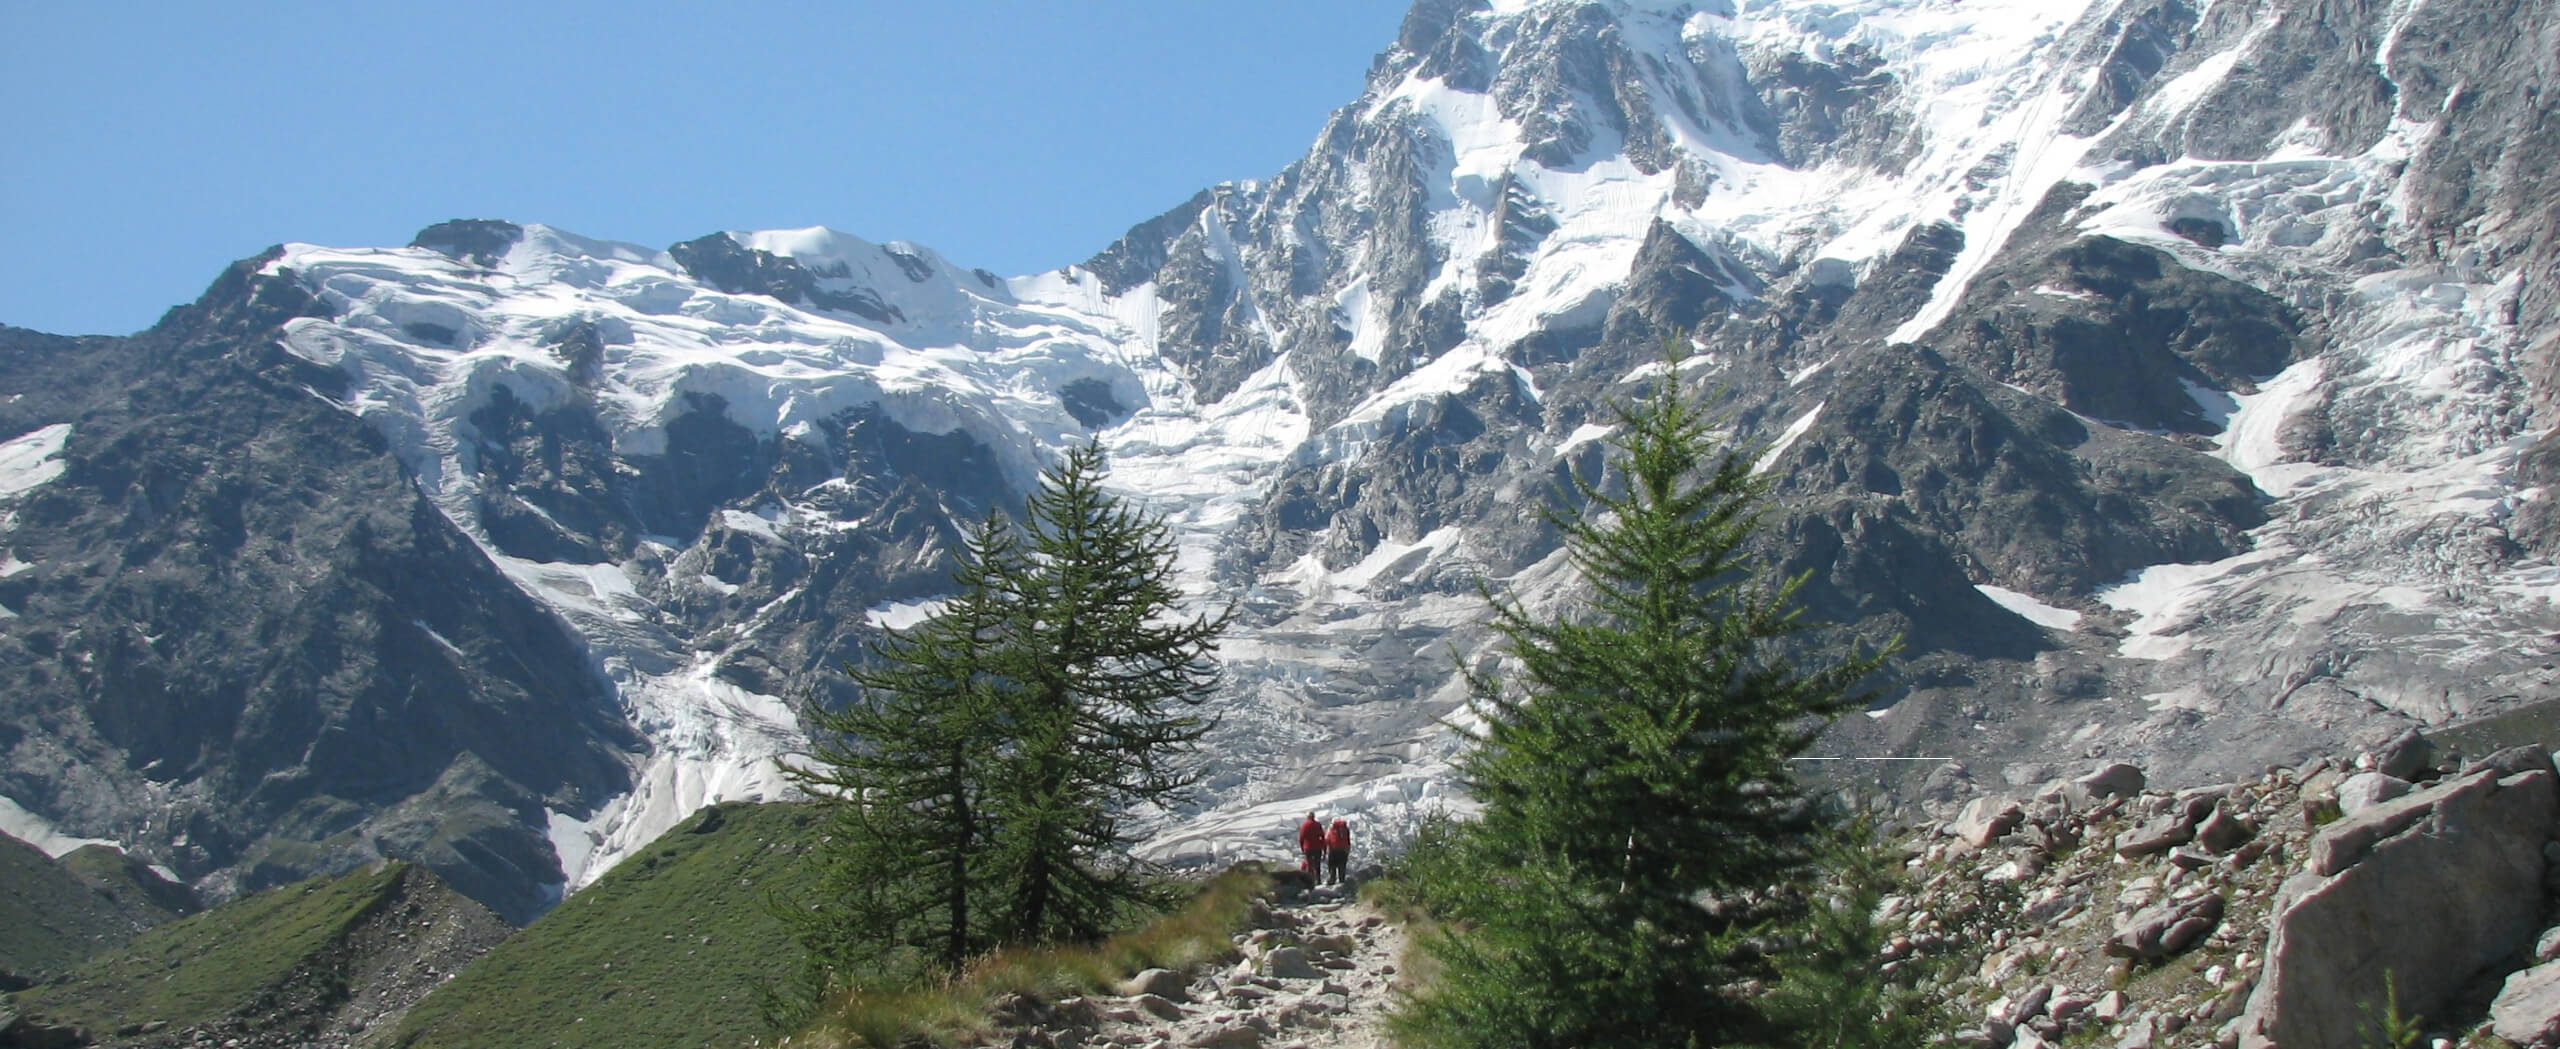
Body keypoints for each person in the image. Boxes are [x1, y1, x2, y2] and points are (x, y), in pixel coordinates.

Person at [1297, 812, 1326, 877]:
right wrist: (1324, 849)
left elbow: (1301, 838)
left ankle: (1310, 880)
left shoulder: (1304, 825)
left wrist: (1302, 848)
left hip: (1308, 848)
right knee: (1317, 865)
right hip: (1317, 848)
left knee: (1310, 865)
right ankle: (1318, 880)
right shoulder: (1318, 825)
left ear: (1307, 817)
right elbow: (1322, 837)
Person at [1325, 816, 1351, 886]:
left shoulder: (1331, 829)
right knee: (1342, 866)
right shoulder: (1345, 829)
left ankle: (1332, 879)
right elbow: (1348, 839)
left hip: (1333, 850)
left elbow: (1327, 839)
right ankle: (1342, 880)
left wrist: (1326, 849)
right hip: (1343, 850)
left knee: (1332, 866)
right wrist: (1348, 848)